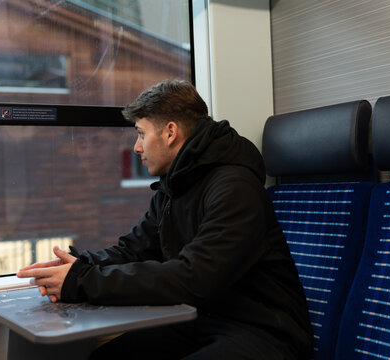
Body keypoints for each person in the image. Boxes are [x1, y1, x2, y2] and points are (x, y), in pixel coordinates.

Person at [17, 79, 313, 359]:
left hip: (264, 331)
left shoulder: (235, 188)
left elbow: (192, 278)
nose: (136, 147)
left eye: (142, 133)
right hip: (204, 319)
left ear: (170, 133)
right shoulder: (174, 186)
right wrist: (81, 266)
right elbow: (133, 250)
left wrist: (83, 282)